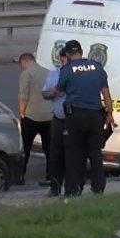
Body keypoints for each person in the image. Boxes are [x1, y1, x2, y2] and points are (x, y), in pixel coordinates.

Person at [56, 40, 114, 196]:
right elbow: (106, 93)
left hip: (75, 116)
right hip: (95, 116)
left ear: (67, 54)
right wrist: (110, 114)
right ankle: (98, 188)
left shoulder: (67, 69)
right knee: (95, 153)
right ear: (81, 52)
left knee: (74, 153)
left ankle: (73, 189)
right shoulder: (97, 67)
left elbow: (59, 90)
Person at [16, 52, 52, 183]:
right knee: (49, 148)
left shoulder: (26, 74)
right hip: (49, 116)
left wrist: (22, 113)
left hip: (31, 116)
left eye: (21, 64)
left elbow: (23, 96)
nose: (21, 67)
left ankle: (20, 176)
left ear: (24, 61)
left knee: (25, 147)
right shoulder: (48, 73)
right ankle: (50, 176)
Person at [41, 49, 69, 197]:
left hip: (73, 120)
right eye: (62, 58)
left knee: (72, 154)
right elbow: (44, 93)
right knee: (55, 154)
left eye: (67, 58)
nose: (64, 60)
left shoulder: (75, 74)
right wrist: (54, 93)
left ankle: (72, 187)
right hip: (58, 118)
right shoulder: (54, 74)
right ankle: (55, 186)